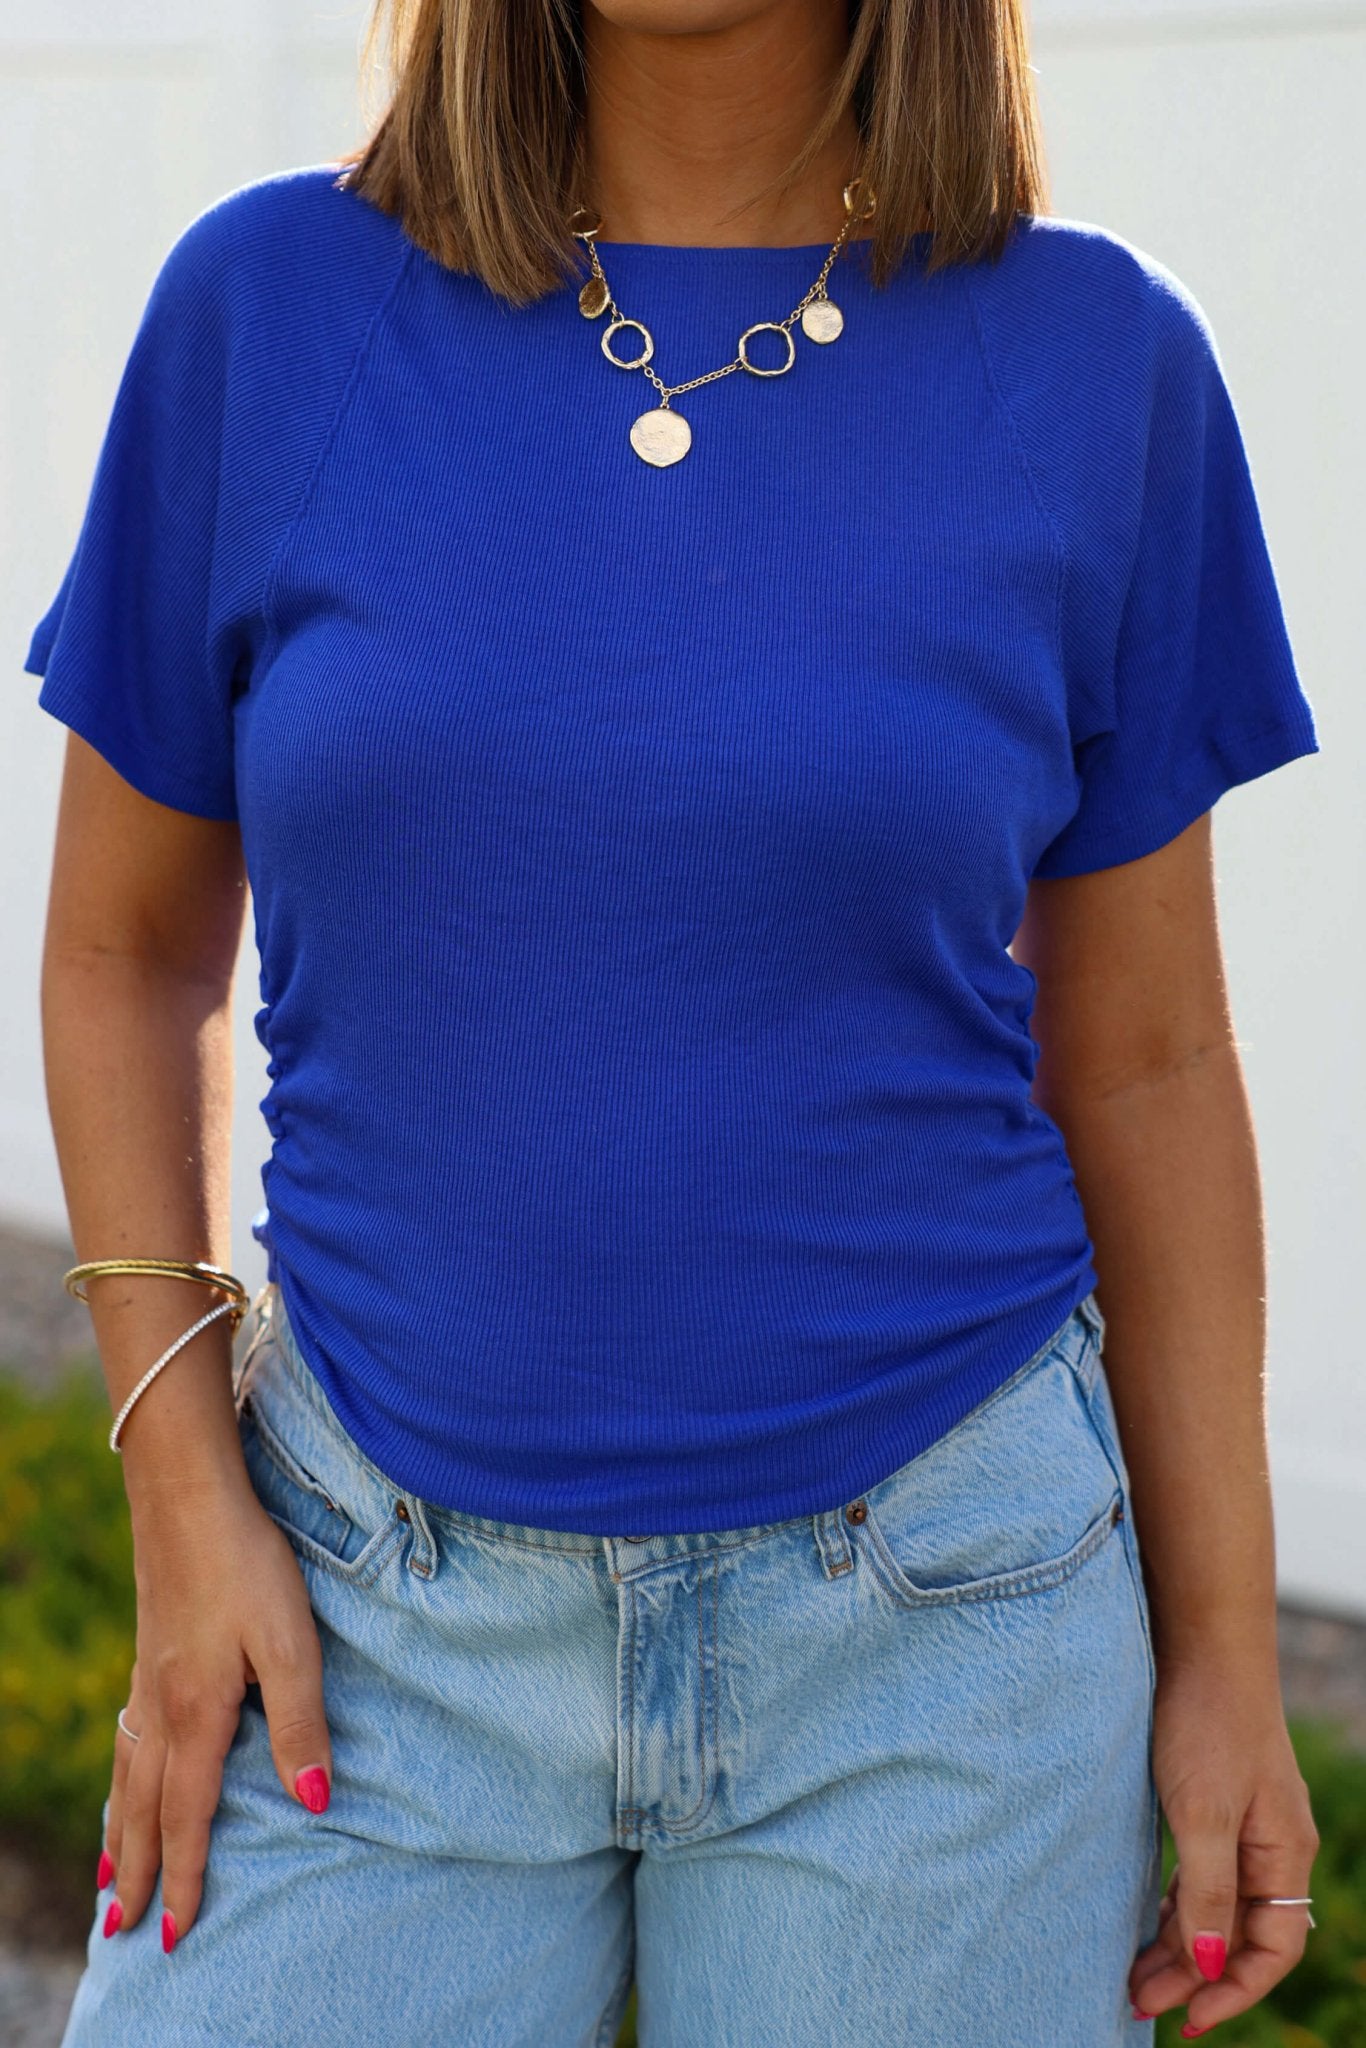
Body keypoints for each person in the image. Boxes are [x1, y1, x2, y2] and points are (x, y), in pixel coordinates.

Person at [21, 0, 1322, 2040]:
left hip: (937, 1634)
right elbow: (120, 951)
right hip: (372, 1613)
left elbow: (1146, 1060)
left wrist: (1223, 1657)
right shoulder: (266, 312)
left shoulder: (1095, 365)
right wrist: (187, 1507)